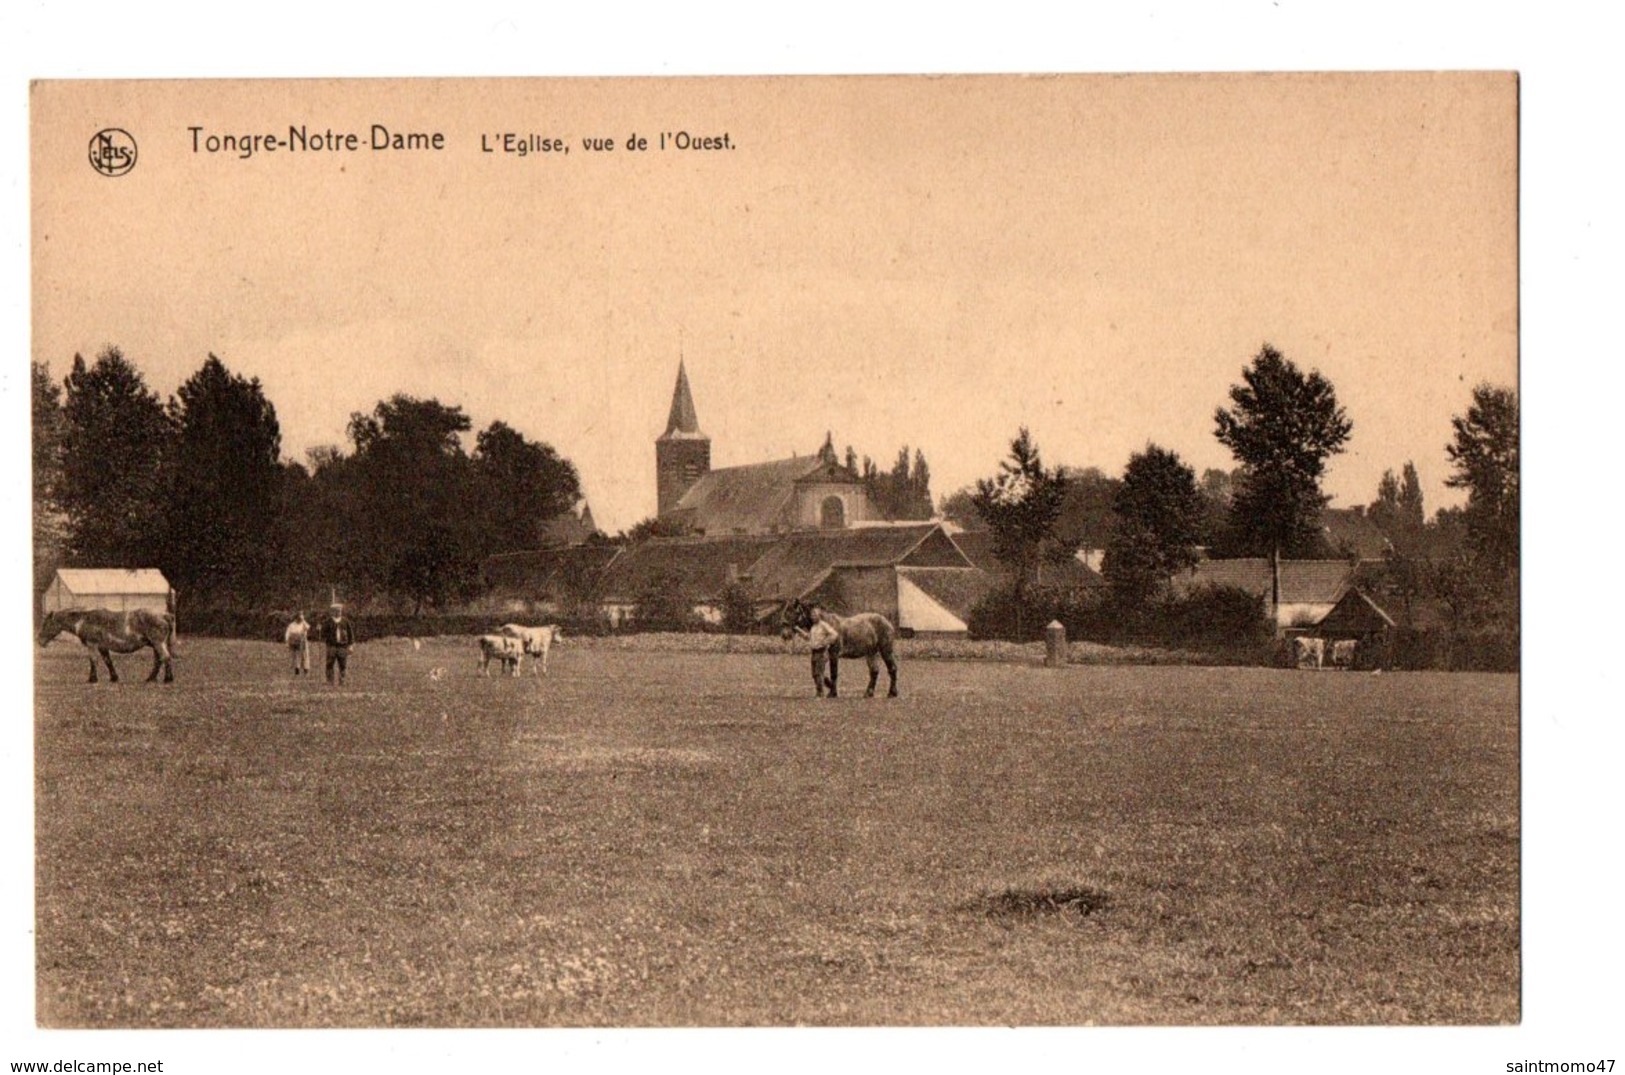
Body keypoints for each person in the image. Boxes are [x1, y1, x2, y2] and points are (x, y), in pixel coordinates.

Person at [319, 603, 356, 685]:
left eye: (339, 611)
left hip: (342, 646)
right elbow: (322, 634)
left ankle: (342, 680)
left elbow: (350, 634)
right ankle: (330, 681)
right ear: (332, 612)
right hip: (331, 646)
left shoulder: (345, 621)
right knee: (330, 663)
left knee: (343, 664)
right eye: (336, 611)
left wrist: (351, 646)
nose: (338, 613)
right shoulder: (328, 622)